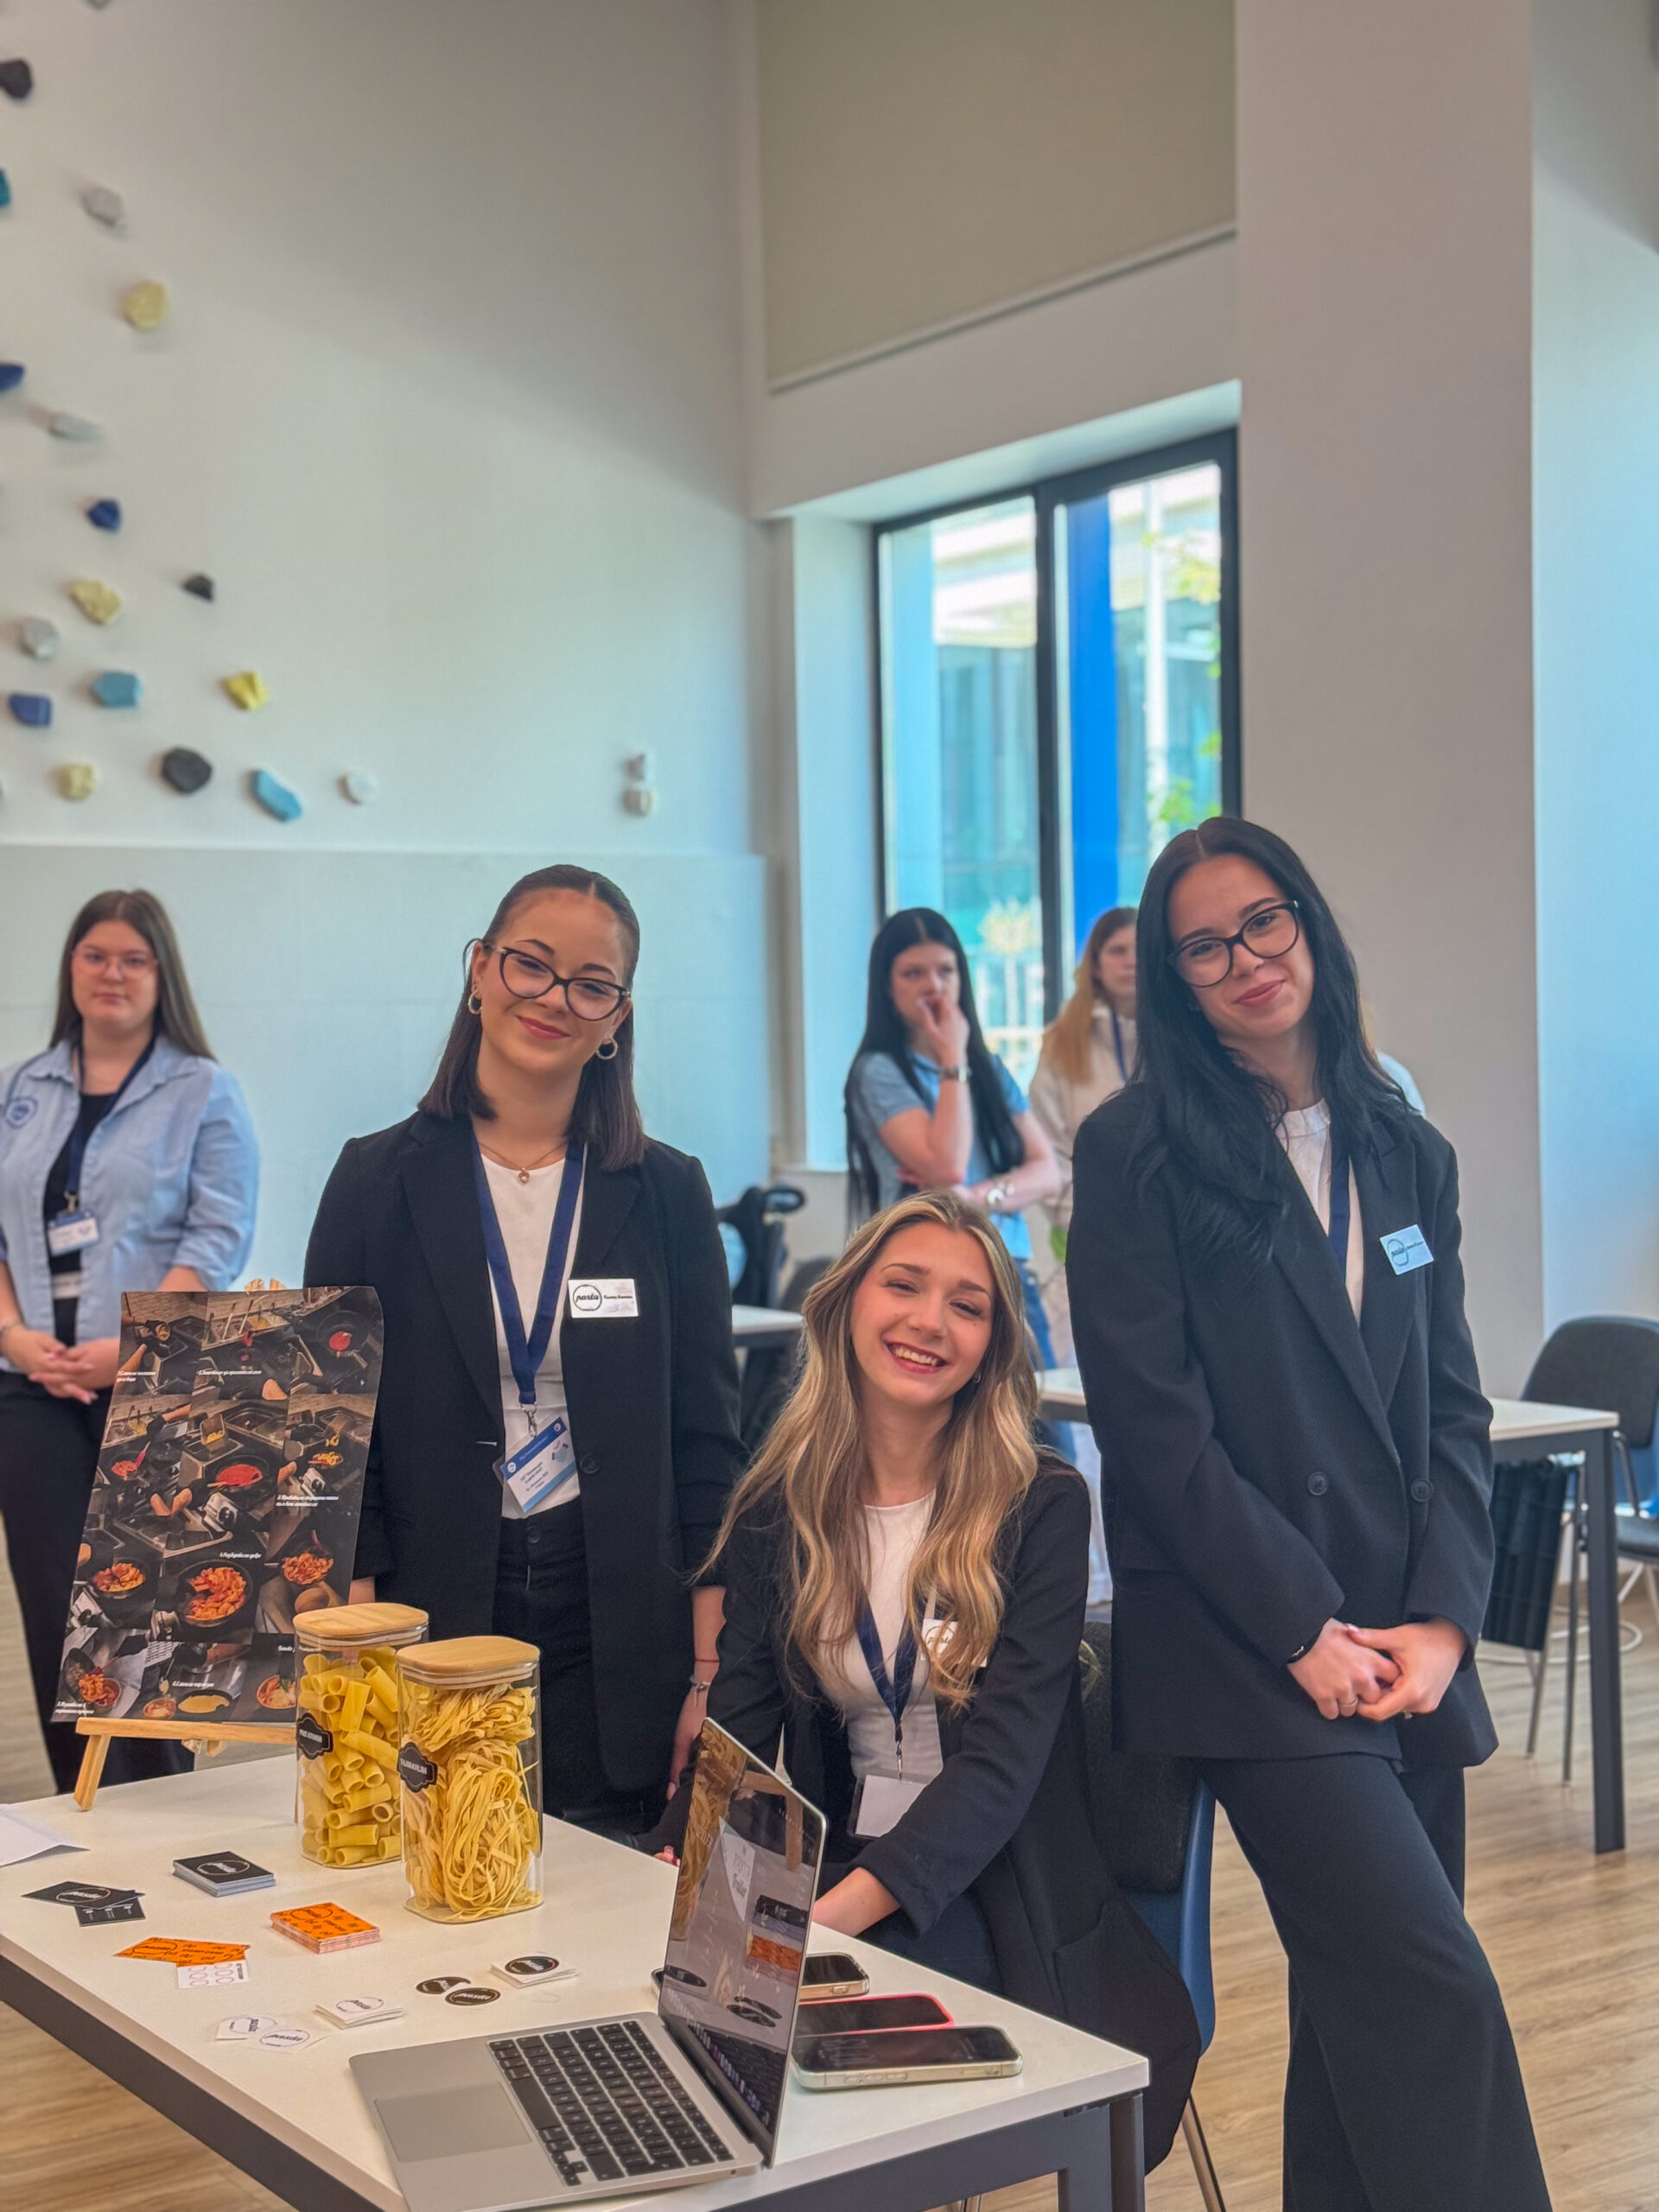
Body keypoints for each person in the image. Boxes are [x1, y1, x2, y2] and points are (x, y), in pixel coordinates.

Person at [1066, 818, 1549, 2212]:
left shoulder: (1406, 1148)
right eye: (1203, 947)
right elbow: (1157, 1433)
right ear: (1172, 980)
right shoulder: (1136, 1151)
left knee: (1360, 2015)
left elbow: (1451, 1407)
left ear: (1309, 925)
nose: (1245, 960)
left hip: (1401, 1644)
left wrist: (1445, 1622)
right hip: (1247, 1643)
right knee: (1431, 1985)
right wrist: (1299, 1628)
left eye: (1263, 922)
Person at [654, 1188, 1199, 2170]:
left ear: (991, 1346)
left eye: (967, 1305)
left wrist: (817, 1924)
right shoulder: (782, 1504)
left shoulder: (1041, 1505)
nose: (929, 1322)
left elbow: (1000, 1769)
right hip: (836, 1868)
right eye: (903, 1285)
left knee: (785, 2060)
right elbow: (736, 1730)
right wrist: (679, 1863)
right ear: (847, 1304)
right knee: (672, 2024)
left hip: (1000, 1892)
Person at [304, 864, 743, 1835]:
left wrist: (711, 1674)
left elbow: (708, 1443)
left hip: (621, 1608)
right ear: (480, 970)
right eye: (530, 965)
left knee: (610, 1865)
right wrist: (361, 1654)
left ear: (616, 1017)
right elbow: (337, 1437)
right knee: (443, 1857)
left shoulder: (667, 1192)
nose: (552, 998)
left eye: (590, 984)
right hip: (437, 1593)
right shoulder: (374, 1180)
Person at [0, 890, 258, 1792]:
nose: (112, 973)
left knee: (140, 1613)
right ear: (71, 966)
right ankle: (85, 1815)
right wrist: (14, 1336)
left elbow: (216, 1238)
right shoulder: (20, 1088)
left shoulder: (203, 1090)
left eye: (133, 959)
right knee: (55, 1615)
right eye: (95, 955)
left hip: (151, 1382)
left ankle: (160, 1807)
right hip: (31, 1385)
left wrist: (137, 1345)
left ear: (161, 975)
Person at [844, 910, 1062, 1376]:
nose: (934, 986)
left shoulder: (990, 1068)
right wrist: (952, 1057)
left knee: (1039, 1419)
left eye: (945, 970)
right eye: (913, 974)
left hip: (1008, 1271)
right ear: (886, 988)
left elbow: (1048, 1171)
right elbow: (947, 1166)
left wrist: (977, 1199)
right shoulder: (878, 1072)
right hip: (925, 1278)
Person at [1029, 903, 1138, 1239]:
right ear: (1095, 965)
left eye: (1140, 949)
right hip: (1090, 1229)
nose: (1132, 961)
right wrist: (1086, 1221)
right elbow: (1049, 1146)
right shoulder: (1062, 1042)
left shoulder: (1184, 1036)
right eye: (1118, 951)